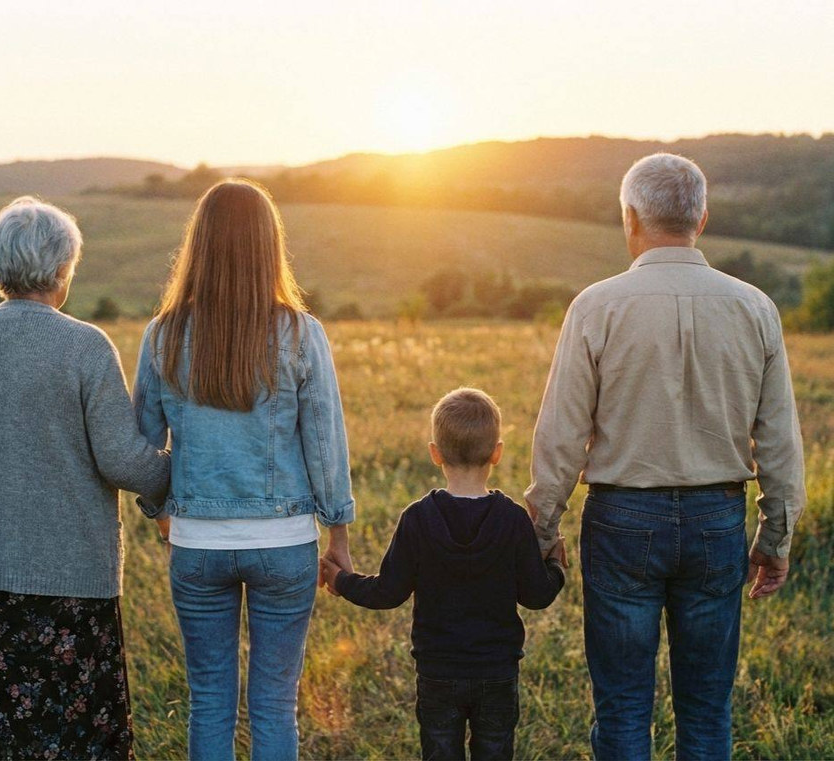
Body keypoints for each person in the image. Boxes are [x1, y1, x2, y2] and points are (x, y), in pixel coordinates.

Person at [525, 153, 807, 761]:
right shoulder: (755, 307)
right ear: (701, 218)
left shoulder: (596, 307)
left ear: (630, 218)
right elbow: (780, 439)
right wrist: (775, 537)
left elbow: (560, 437)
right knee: (707, 708)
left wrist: (544, 526)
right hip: (717, 521)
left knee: (624, 704)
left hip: (623, 521)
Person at [0, 196, 171, 760]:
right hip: (71, 587)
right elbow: (124, 461)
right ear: (61, 270)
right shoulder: (85, 346)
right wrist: (178, 474)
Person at [132, 179, 355, 761]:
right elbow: (325, 444)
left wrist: (161, 512)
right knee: (275, 705)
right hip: (285, 545)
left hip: (197, 545)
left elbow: (144, 446)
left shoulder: (163, 334)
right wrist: (339, 536)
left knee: (209, 701)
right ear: (268, 245)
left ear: (198, 245)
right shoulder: (302, 333)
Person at [321, 387, 564, 761]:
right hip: (497, 673)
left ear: (435, 453)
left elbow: (387, 592)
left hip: (437, 674)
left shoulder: (418, 518)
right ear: (497, 453)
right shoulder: (513, 519)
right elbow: (536, 595)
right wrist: (556, 566)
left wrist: (341, 580)